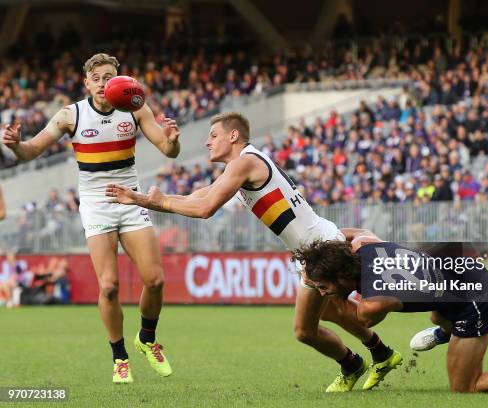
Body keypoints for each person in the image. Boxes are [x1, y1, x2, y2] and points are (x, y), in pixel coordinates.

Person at [106, 112, 403, 392]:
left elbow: (205, 209)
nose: (207, 142)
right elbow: (203, 195)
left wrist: (152, 203)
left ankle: (380, 350)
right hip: (313, 247)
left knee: (335, 319)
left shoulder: (244, 163)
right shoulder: (241, 165)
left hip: (322, 248)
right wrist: (147, 198)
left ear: (233, 136)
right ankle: (377, 354)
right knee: (321, 319)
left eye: (213, 135)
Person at [1, 53, 179, 384]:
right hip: (96, 204)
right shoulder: (71, 114)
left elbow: (168, 150)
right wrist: (15, 146)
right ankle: (120, 357)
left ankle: (147, 338)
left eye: (108, 77)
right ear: (86, 83)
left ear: (117, 80)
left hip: (130, 197)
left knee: (155, 280)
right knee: (109, 286)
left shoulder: (135, 107)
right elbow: (32, 150)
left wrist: (174, 139)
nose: (102, 83)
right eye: (96, 78)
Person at [291, 231, 488, 394]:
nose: (320, 292)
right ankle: (443, 330)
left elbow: (359, 318)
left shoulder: (374, 303)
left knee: (466, 387)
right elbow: (348, 234)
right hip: (458, 277)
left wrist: (326, 301)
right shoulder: (361, 244)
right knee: (436, 315)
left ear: (343, 276)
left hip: (477, 298)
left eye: (323, 286)